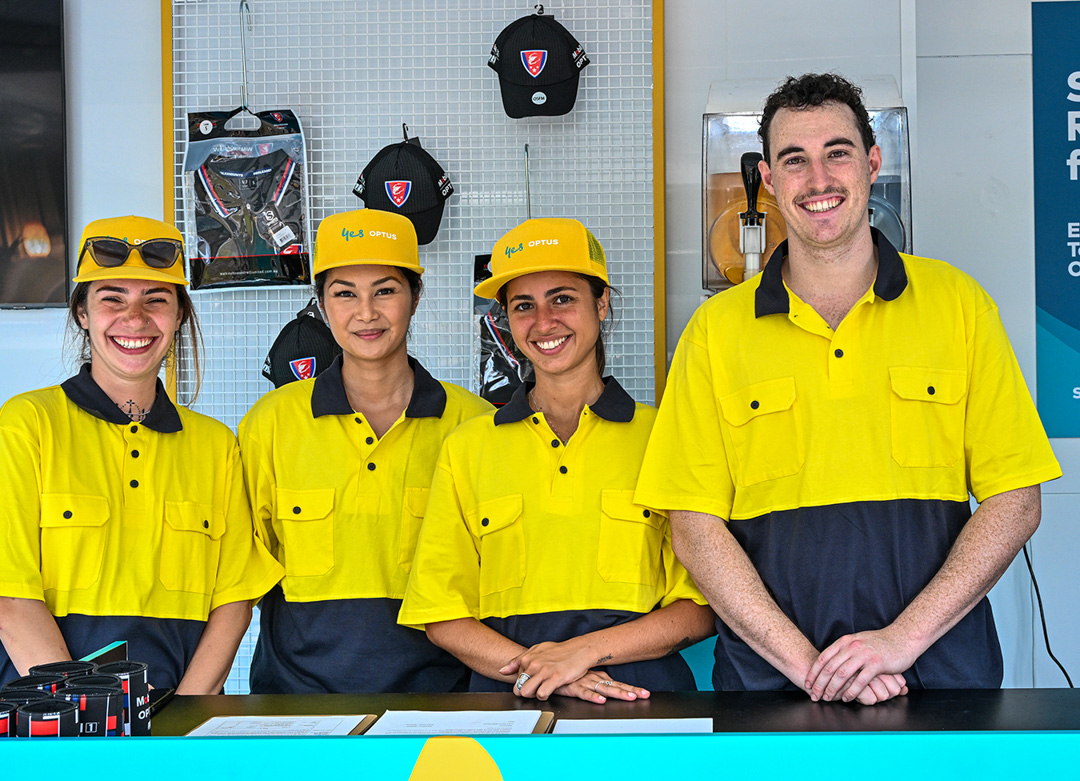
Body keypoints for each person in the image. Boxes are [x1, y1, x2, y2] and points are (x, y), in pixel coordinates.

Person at [636, 73, 1061, 705]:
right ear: (769, 180)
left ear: (872, 163)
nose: (819, 179)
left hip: (941, 679)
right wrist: (810, 665)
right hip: (771, 688)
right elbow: (693, 525)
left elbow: (1016, 499)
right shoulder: (715, 333)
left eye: (837, 152)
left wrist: (899, 642)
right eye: (794, 160)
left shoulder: (958, 306)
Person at [0, 215, 282, 699]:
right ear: (82, 313)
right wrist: (87, 711)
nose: (134, 319)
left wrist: (184, 712)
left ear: (179, 315)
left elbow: (235, 601)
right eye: (112, 299)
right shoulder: (29, 424)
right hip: (44, 723)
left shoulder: (216, 446)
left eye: (156, 300)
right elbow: (8, 597)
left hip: (171, 722)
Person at [399, 218, 714, 702]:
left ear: (601, 303)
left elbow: (700, 608)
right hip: (510, 705)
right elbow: (441, 614)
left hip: (644, 702)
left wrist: (580, 655)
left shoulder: (663, 437)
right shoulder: (469, 448)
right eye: (523, 305)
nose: (544, 322)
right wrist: (549, 675)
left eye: (562, 298)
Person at [239, 208, 492, 694]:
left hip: (443, 708)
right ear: (321, 304)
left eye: (385, 291)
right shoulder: (270, 424)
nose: (366, 313)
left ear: (416, 296)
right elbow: (238, 583)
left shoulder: (474, 425)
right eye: (345, 294)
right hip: (295, 710)